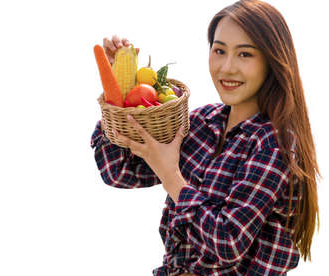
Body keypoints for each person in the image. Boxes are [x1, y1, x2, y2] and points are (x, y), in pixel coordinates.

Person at [90, 0, 320, 275]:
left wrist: (171, 177)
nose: (227, 67)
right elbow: (119, 172)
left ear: (272, 59)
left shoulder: (274, 144)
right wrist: (119, 87)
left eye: (245, 54)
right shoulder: (201, 122)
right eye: (219, 50)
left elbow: (228, 241)